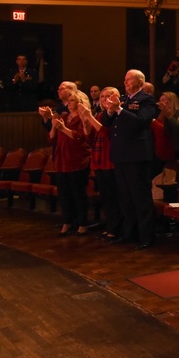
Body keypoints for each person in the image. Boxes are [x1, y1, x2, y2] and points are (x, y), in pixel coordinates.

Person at [99, 70, 159, 249]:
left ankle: (146, 236)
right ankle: (129, 233)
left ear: (140, 82)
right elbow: (107, 123)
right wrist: (110, 111)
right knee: (125, 197)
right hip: (120, 154)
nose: (125, 82)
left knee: (140, 197)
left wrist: (118, 109)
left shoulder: (146, 99)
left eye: (128, 79)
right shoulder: (124, 99)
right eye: (124, 79)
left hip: (137, 155)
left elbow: (141, 121)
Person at [78, 89, 121, 240]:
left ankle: (116, 228)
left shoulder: (115, 114)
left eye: (108, 96)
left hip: (110, 160)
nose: (104, 99)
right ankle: (110, 225)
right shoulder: (99, 115)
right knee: (106, 197)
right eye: (102, 96)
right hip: (98, 160)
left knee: (113, 196)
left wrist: (88, 117)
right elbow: (90, 140)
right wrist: (85, 123)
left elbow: (105, 133)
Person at [48, 90, 92, 236]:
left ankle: (82, 223)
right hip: (62, 159)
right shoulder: (65, 116)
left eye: (72, 100)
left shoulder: (83, 118)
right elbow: (52, 138)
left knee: (78, 193)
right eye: (69, 100)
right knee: (64, 194)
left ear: (80, 102)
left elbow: (80, 138)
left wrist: (63, 128)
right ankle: (67, 221)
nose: (69, 102)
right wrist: (54, 125)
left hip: (77, 159)